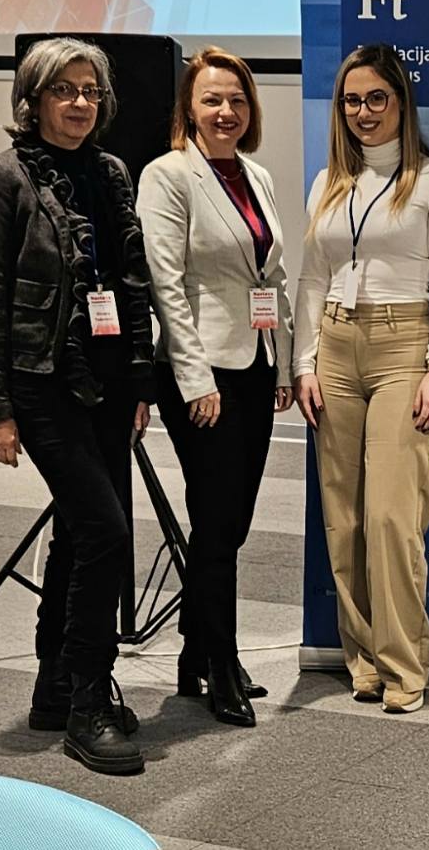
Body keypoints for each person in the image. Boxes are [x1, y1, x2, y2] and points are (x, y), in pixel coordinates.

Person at [0, 36, 153, 776]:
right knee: (106, 531)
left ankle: (54, 684)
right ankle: (87, 701)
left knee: (79, 532)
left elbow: (130, 283)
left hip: (108, 382)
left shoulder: (110, 172)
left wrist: (138, 382)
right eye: (64, 89)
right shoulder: (2, 176)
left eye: (91, 91)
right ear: (34, 98)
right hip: (41, 381)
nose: (80, 102)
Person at [292, 44, 429, 714]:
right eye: (352, 101)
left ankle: (403, 665)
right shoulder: (327, 183)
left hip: (405, 346)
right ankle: (361, 658)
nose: (364, 112)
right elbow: (312, 277)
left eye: (376, 98)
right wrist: (303, 362)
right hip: (335, 348)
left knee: (392, 516)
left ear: (400, 101)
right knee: (343, 518)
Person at [137, 46, 293, 728]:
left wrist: (280, 364)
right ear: (189, 108)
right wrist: (193, 376)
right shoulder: (168, 175)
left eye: (236, 99)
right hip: (201, 373)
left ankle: (195, 650)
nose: (226, 110)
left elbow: (270, 277)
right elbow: (165, 283)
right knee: (217, 521)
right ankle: (220, 663)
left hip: (253, 365)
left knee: (231, 521)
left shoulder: (255, 174)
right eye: (211, 99)